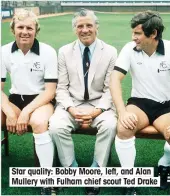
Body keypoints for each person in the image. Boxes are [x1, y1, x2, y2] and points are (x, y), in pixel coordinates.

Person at [49, 8, 117, 195]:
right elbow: (61, 88)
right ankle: (71, 168)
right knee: (55, 125)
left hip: (99, 105)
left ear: (97, 27)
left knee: (110, 125)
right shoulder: (64, 51)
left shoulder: (110, 51)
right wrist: (71, 109)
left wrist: (96, 112)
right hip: (72, 104)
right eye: (80, 26)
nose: (85, 30)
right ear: (75, 29)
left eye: (89, 25)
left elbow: (110, 89)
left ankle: (96, 172)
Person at [109, 10, 170, 195]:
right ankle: (129, 181)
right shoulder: (130, 49)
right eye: (133, 32)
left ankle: (165, 165)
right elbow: (114, 80)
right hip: (140, 103)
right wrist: (122, 112)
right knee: (124, 128)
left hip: (167, 106)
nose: (133, 37)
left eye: (137, 33)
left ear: (153, 34)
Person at [1, 9, 58, 195]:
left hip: (41, 100)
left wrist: (25, 113)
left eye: (29, 28)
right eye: (20, 27)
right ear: (13, 29)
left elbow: (50, 91)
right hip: (16, 100)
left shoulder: (48, 52)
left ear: (36, 30)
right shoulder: (3, 51)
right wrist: (9, 112)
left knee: (39, 123)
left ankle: (47, 179)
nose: (25, 31)